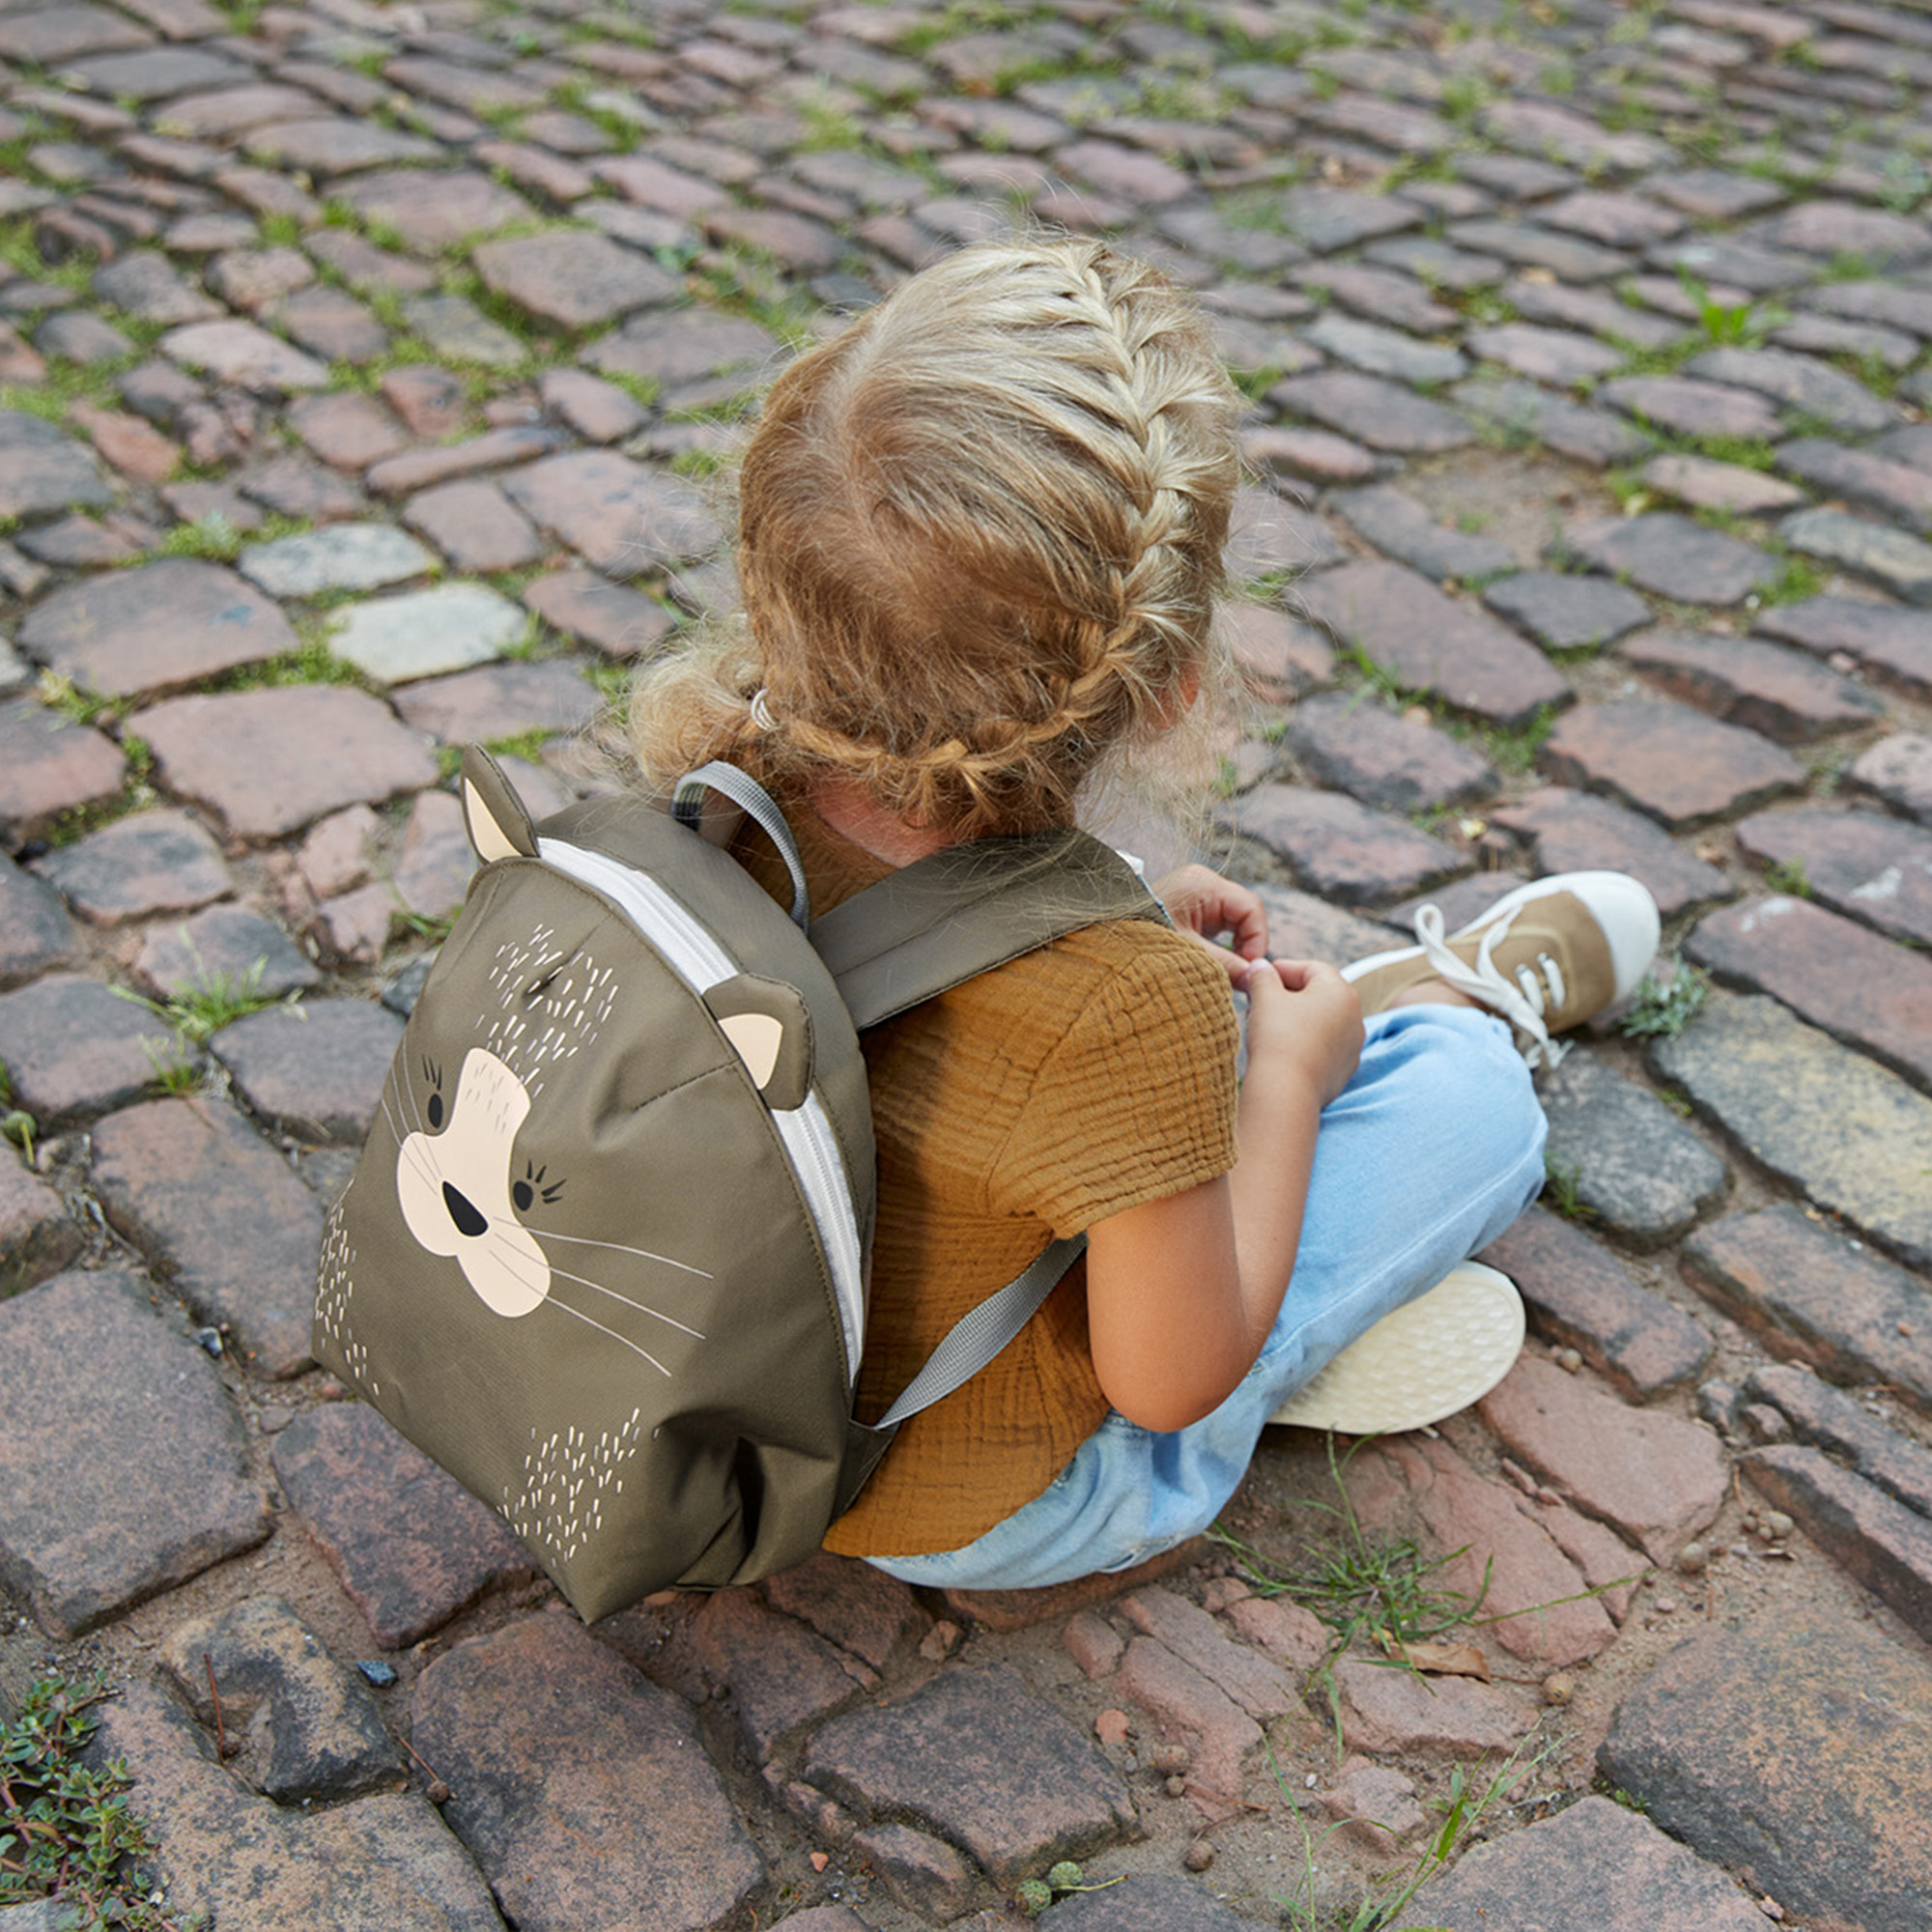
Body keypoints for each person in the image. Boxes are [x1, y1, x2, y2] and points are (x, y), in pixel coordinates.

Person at [625, 238, 1659, 1591]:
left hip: (714, 1394)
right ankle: (1445, 1011)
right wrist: (1281, 1083)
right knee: (1471, 1110)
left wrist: (1114, 940)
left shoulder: (710, 797)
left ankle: (1292, 1086)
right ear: (1165, 681)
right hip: (987, 1505)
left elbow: (899, 1017)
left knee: (1163, 1093)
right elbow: (1167, 1380)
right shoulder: (1117, 1003)